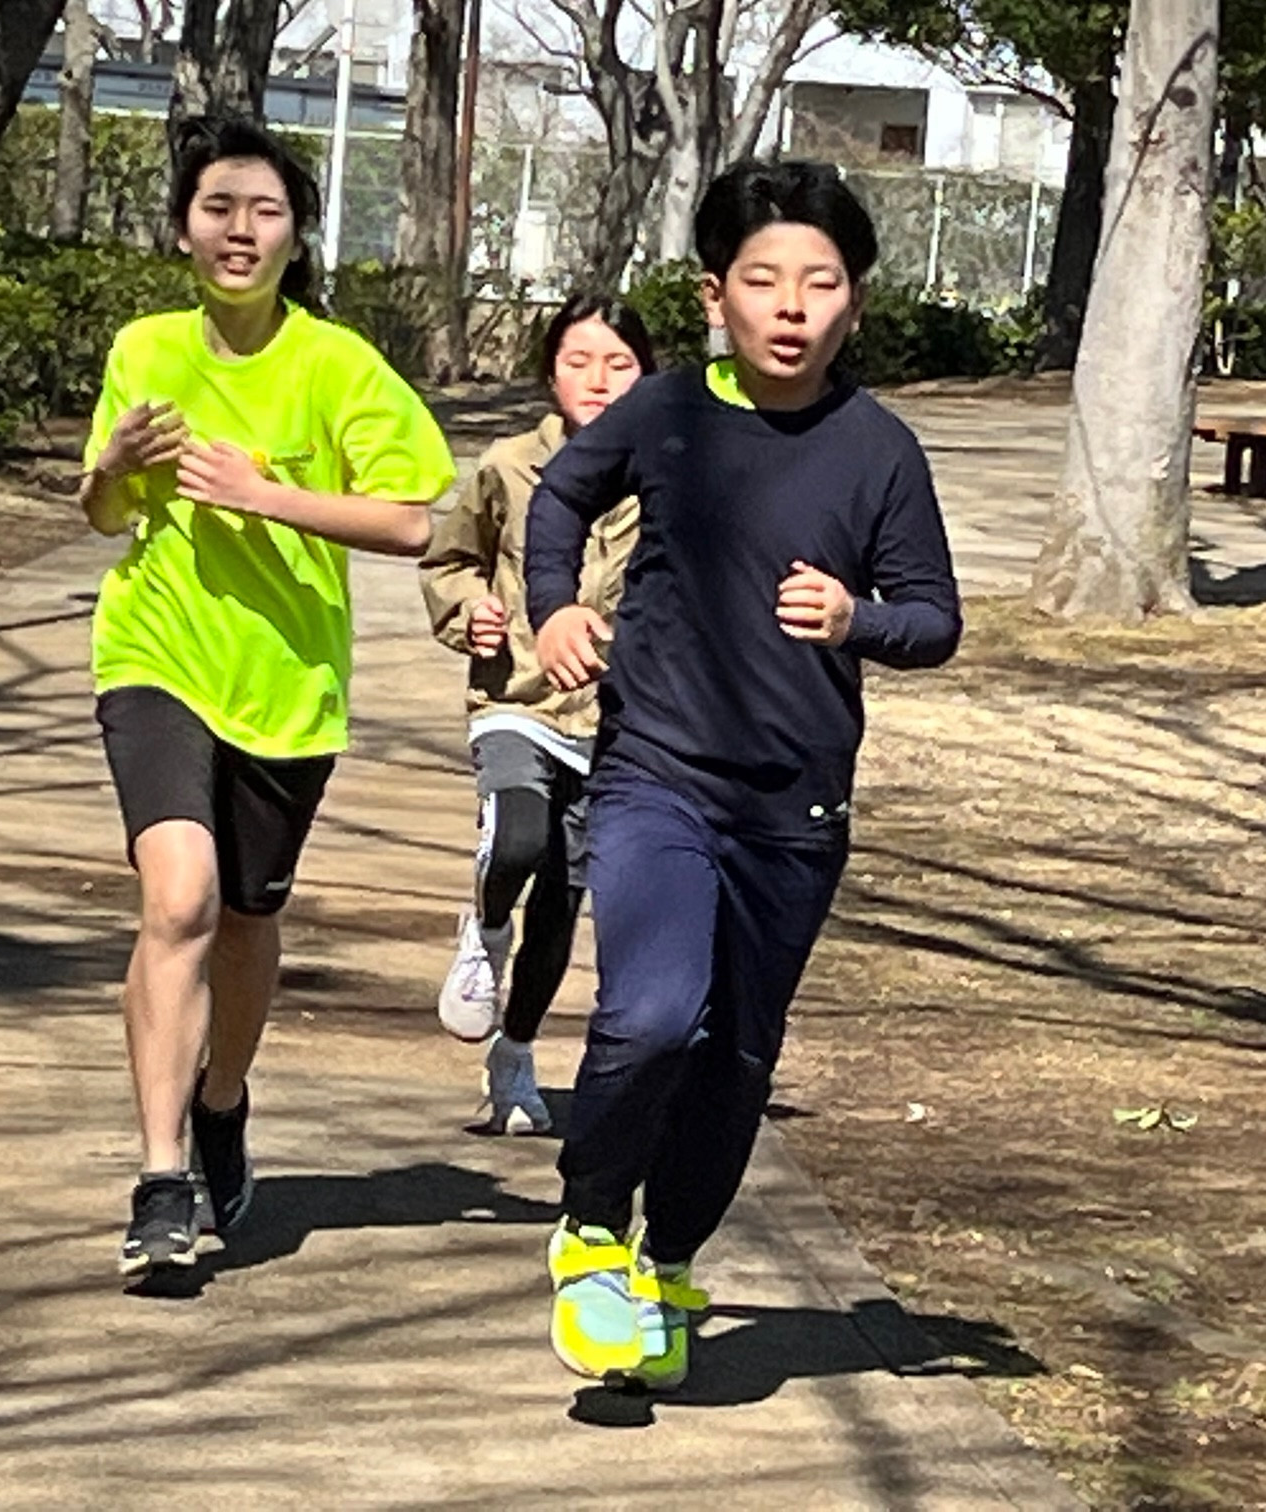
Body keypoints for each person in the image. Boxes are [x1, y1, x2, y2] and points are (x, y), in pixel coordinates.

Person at [524, 159, 963, 1386]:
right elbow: (559, 498)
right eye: (764, 281)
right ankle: (591, 1228)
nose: (791, 306)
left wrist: (858, 618)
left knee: (735, 1060)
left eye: (820, 283)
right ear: (716, 295)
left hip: (795, 808)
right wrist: (554, 608)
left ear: (855, 301)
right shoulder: (665, 412)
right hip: (658, 771)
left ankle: (667, 1262)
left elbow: (935, 618)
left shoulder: (880, 450)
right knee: (657, 1012)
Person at [81, 115, 457, 1280]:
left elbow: (412, 520)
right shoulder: (145, 348)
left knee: (244, 919)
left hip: (287, 688)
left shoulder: (336, 365)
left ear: (297, 237)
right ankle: (160, 1178)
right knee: (179, 900)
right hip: (154, 654)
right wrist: (113, 467)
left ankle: (222, 1098)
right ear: (183, 229)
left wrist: (262, 494)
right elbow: (101, 511)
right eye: (217, 209)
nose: (239, 231)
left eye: (265, 212)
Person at [418, 294, 655, 1134]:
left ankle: (515, 1055)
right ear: (551, 373)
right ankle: (485, 930)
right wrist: (471, 611)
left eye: (620, 364)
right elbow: (450, 559)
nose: (598, 380)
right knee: (518, 837)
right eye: (578, 361)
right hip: (515, 695)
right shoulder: (509, 466)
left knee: (562, 898)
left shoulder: (667, 479)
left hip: (616, 720)